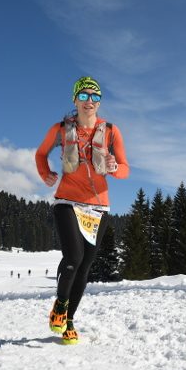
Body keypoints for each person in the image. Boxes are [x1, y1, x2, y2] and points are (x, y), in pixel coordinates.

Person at [35, 76, 129, 345]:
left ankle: (70, 322)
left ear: (100, 102)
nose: (90, 102)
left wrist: (113, 167)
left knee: (86, 265)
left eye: (95, 97)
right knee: (73, 256)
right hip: (67, 201)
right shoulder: (60, 129)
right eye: (85, 96)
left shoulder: (111, 131)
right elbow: (41, 154)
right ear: (75, 99)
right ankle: (60, 305)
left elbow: (124, 169)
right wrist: (45, 173)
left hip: (98, 207)